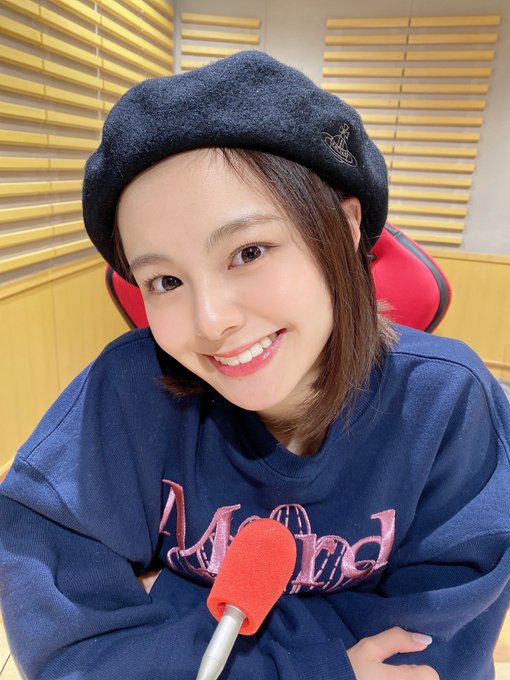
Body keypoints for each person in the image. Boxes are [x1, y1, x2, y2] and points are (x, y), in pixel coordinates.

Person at [0, 51, 509, 680]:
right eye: (165, 280)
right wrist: (317, 664)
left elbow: (429, 655)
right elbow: (64, 645)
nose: (211, 320)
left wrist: (168, 600)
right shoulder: (126, 395)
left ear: (345, 227)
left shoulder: (448, 406)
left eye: (249, 251)